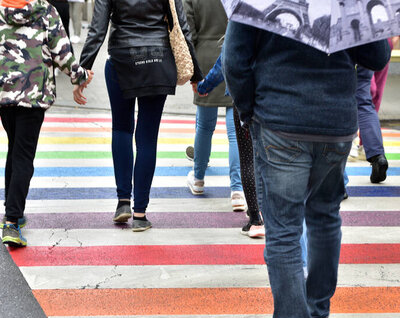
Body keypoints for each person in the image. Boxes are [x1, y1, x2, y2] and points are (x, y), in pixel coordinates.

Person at [224, 21, 390, 318]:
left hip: (280, 119)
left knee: (283, 229)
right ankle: (317, 313)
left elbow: (235, 59)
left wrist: (247, 108)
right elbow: (377, 55)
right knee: (325, 215)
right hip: (336, 124)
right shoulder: (347, 6)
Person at [0, 0, 92, 247]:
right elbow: (63, 53)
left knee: (15, 146)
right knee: (24, 154)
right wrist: (80, 76)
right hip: (34, 93)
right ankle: (12, 220)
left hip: (3, 93)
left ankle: (11, 207)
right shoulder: (46, 11)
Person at [79, 0, 202, 232]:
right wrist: (196, 74)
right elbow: (181, 27)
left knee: (121, 129)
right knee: (147, 137)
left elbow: (97, 29)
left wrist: (81, 70)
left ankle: (123, 201)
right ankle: (140, 213)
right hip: (158, 58)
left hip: (121, 58)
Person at [183, 0, 245, 211]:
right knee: (235, 130)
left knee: (204, 126)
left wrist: (191, 69)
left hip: (204, 57)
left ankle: (198, 178)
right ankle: (237, 189)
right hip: (233, 55)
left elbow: (188, 31)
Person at [195, 53, 265, 238]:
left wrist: (205, 85)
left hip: (244, 96)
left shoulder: (242, 23)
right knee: (272, 158)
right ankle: (270, 214)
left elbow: (226, 58)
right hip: (275, 97)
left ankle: (255, 220)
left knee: (247, 157)